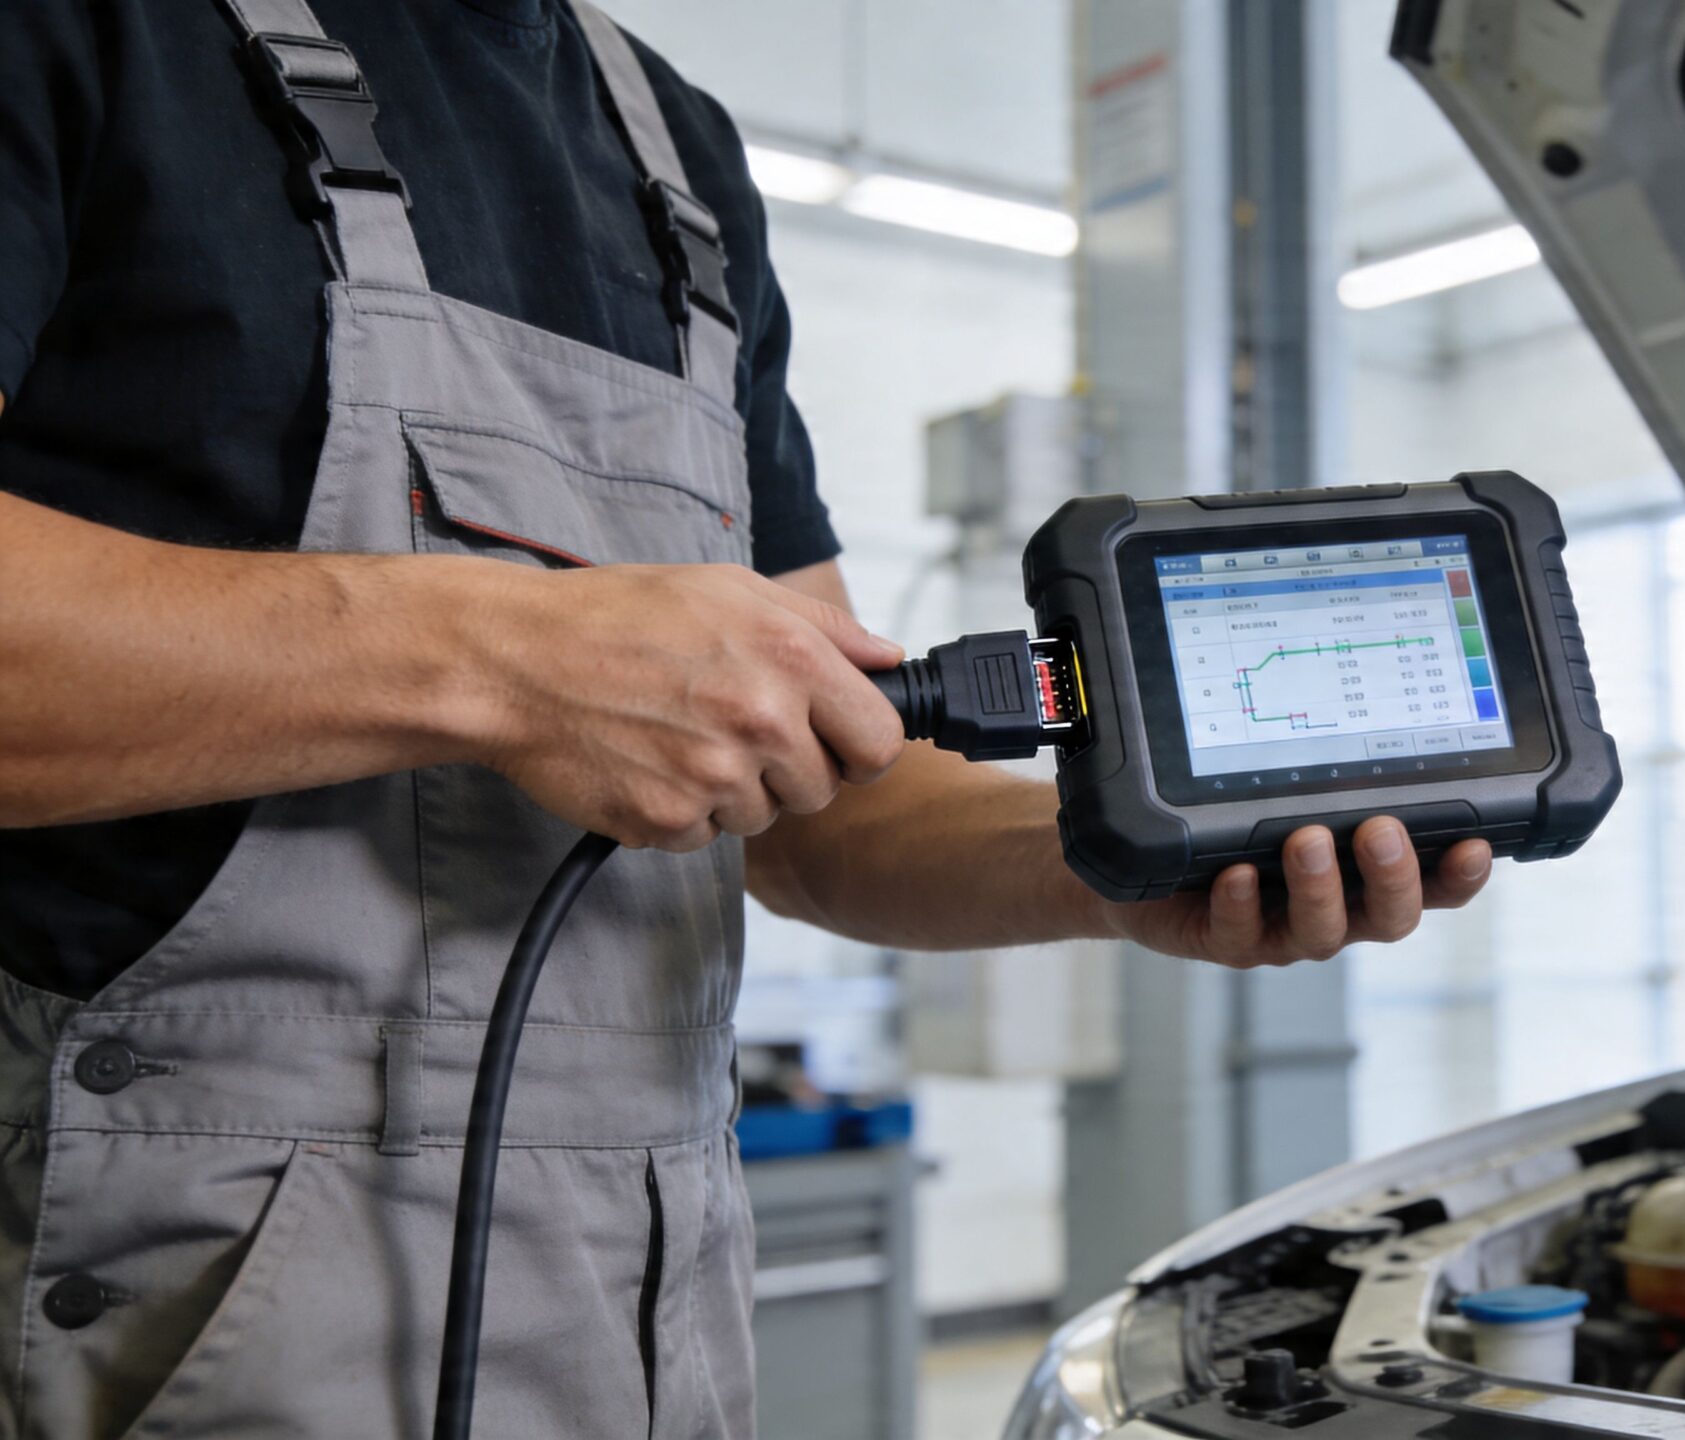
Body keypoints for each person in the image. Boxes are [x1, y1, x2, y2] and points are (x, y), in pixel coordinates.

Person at [0, 2, 1492, 1433]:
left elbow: (834, 798)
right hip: (192, 1311)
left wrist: (1114, 857)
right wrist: (498, 660)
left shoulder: (675, 157)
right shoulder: (91, 32)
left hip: (646, 1315)